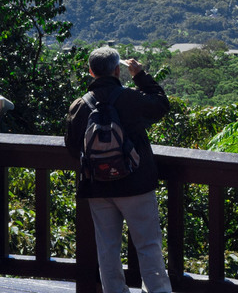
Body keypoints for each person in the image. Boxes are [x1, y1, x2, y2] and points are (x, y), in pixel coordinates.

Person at [66, 46, 172, 293]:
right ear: (117, 71)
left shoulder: (80, 105)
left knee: (107, 248)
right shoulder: (131, 98)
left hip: (97, 186)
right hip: (137, 184)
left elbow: (72, 147)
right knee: (148, 245)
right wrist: (141, 76)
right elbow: (161, 106)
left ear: (91, 72)